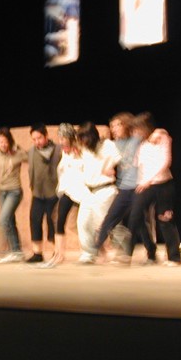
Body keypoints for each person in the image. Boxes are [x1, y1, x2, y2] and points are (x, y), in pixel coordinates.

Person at [127, 114, 181, 266]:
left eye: (137, 129)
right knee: (135, 216)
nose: (135, 133)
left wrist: (149, 180)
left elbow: (166, 162)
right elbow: (136, 166)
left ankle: (174, 257)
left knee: (165, 220)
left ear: (145, 128)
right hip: (144, 185)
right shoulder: (141, 145)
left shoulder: (161, 137)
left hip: (163, 184)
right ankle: (147, 253)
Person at [91, 112, 141, 263]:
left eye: (117, 125)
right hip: (124, 187)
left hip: (139, 186)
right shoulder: (115, 144)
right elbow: (109, 157)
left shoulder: (136, 140)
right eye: (111, 126)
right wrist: (110, 168)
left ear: (125, 125)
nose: (113, 129)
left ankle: (145, 253)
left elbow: (150, 134)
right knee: (110, 218)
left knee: (137, 221)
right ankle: (96, 249)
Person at [41, 123, 87, 268]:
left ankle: (96, 250)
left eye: (63, 138)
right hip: (68, 190)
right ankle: (59, 254)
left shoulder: (81, 151)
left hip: (81, 192)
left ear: (70, 138)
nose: (61, 141)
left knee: (84, 223)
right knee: (58, 220)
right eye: (60, 138)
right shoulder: (63, 152)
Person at [75, 122, 121, 264]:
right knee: (83, 222)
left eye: (84, 138)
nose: (82, 141)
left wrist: (114, 169)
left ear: (91, 136)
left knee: (104, 224)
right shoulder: (85, 149)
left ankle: (122, 248)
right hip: (89, 191)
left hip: (105, 189)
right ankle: (88, 253)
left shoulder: (108, 145)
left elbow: (121, 160)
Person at [26, 123, 61, 263]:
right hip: (38, 193)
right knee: (34, 220)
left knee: (52, 223)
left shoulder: (58, 150)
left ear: (46, 136)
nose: (37, 142)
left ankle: (55, 252)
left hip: (53, 193)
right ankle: (37, 253)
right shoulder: (31, 151)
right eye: (34, 139)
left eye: (39, 138)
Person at [0, 127, 28, 264]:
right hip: (2, 192)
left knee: (3, 220)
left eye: (5, 141)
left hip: (14, 191)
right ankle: (16, 251)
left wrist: (17, 147)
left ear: (9, 141)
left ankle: (16, 251)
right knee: (9, 221)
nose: (2, 144)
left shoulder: (17, 153)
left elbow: (29, 157)